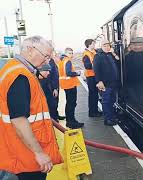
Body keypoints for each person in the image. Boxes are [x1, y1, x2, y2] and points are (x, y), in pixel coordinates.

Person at [0, 36, 63, 180]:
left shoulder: (13, 69)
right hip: (27, 156)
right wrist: (39, 153)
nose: (47, 61)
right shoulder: (20, 76)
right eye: (46, 56)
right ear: (30, 50)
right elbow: (19, 120)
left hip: (19, 150)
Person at [93, 40, 120, 126]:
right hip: (105, 83)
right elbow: (96, 69)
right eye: (104, 45)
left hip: (113, 82)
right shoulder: (98, 56)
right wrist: (99, 81)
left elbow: (118, 61)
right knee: (106, 101)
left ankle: (111, 117)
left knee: (112, 101)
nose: (107, 47)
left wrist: (114, 54)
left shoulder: (110, 55)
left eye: (108, 45)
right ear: (101, 46)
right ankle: (107, 119)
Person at [58, 48, 84, 129]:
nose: (71, 55)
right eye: (70, 53)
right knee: (71, 104)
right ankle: (71, 122)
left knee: (69, 103)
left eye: (72, 53)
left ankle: (71, 121)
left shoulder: (62, 61)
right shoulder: (67, 61)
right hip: (70, 85)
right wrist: (77, 73)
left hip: (65, 85)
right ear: (65, 53)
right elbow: (68, 73)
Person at [125, 37, 143, 107]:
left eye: (141, 45)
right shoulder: (128, 56)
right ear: (132, 46)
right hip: (132, 82)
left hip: (141, 81)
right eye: (136, 45)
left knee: (140, 97)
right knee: (135, 99)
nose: (138, 47)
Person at [82, 39, 102, 117]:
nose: (94, 45)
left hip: (94, 76)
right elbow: (87, 66)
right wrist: (96, 65)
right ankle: (92, 112)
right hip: (91, 76)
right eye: (93, 44)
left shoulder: (93, 52)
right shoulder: (86, 54)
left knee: (95, 94)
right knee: (93, 95)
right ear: (89, 45)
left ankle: (95, 111)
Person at [38, 57, 60, 121]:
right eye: (47, 71)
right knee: (51, 105)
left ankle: (54, 118)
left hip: (50, 88)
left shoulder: (45, 80)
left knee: (53, 104)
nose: (48, 73)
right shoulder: (38, 83)